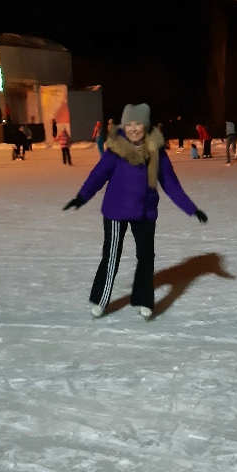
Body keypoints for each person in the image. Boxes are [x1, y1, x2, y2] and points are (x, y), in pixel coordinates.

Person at [62, 102, 208, 320]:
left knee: (146, 258)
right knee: (111, 256)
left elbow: (170, 183)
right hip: (115, 211)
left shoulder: (156, 151)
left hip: (145, 211)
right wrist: (81, 197)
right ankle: (101, 300)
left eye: (137, 123)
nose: (132, 128)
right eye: (128, 123)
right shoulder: (115, 150)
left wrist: (191, 208)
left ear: (146, 125)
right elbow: (97, 176)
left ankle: (144, 300)